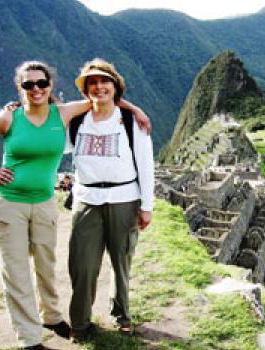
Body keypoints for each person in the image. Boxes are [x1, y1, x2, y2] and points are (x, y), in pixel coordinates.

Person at [0, 60, 150, 350]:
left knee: (58, 265)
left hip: (67, 202)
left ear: (50, 86)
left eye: (41, 83)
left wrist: (135, 109)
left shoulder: (82, 116)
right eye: (28, 84)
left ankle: (70, 315)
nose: (35, 89)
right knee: (42, 269)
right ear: (19, 87)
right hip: (28, 202)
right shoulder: (27, 118)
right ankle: (43, 333)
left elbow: (105, 100)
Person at [67, 58, 154, 341]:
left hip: (124, 198)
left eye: (105, 81)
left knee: (121, 261)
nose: (99, 86)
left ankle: (121, 314)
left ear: (115, 86)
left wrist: (146, 206)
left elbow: (146, 164)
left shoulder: (130, 122)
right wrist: (18, 110)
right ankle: (80, 322)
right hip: (87, 198)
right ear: (85, 89)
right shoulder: (77, 121)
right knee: (82, 264)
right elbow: (46, 126)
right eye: (92, 82)